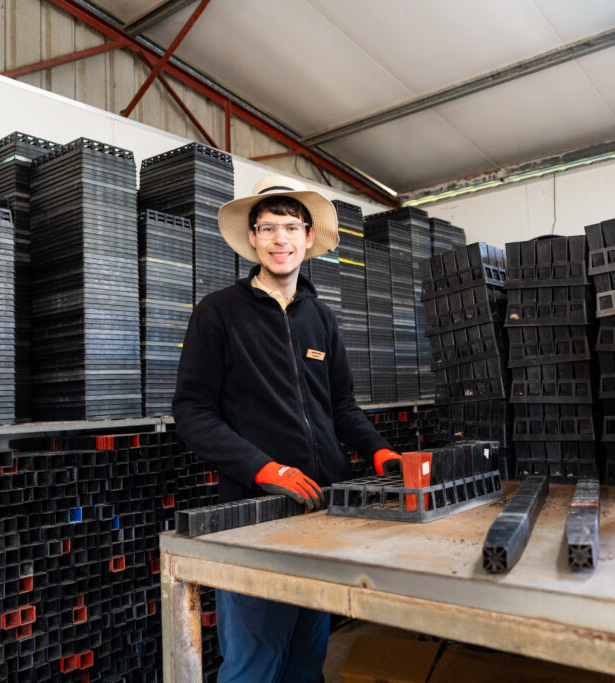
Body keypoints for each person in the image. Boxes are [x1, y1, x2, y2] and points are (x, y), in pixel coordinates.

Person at [172, 174, 402, 682]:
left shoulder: (321, 319)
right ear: (252, 238)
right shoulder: (219, 314)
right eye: (269, 228)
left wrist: (381, 452)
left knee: (306, 660)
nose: (281, 239)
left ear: (309, 238)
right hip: (255, 517)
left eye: (292, 228)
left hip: (320, 512)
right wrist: (263, 468)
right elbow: (192, 412)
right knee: (254, 664)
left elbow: (341, 405)